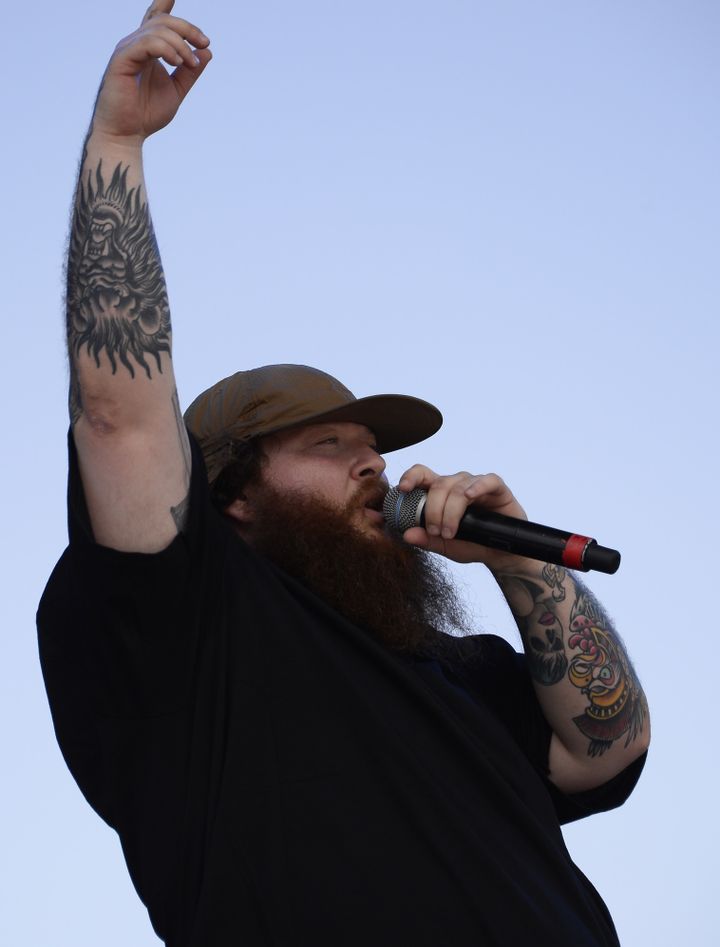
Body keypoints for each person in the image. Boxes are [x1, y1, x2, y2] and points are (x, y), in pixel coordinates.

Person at [38, 3, 650, 946]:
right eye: (325, 446)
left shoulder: (461, 668)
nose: (373, 462)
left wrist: (524, 565)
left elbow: (608, 747)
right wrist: (119, 139)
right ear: (233, 494)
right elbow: (118, 414)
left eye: (372, 444)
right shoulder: (190, 631)